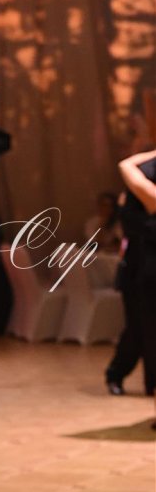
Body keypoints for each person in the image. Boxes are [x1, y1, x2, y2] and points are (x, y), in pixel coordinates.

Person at [105, 152, 156, 398]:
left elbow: (125, 165)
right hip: (140, 269)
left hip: (145, 268)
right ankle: (117, 374)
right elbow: (125, 166)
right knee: (138, 328)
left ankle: (140, 381)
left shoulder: (138, 186)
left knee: (143, 329)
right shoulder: (143, 187)